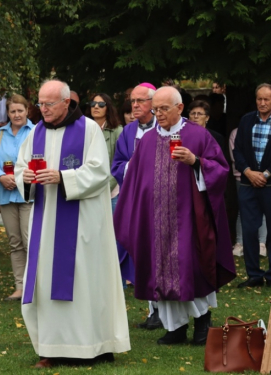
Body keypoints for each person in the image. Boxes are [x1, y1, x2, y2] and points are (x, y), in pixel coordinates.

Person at [16, 80, 130, 368]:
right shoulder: (36, 132)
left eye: (49, 104)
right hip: (45, 221)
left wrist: (64, 178)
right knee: (46, 281)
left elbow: (99, 171)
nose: (42, 109)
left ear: (66, 102)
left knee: (86, 281)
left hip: (83, 223)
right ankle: (52, 348)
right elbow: (21, 166)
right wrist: (25, 178)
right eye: (40, 103)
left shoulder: (89, 129)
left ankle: (96, 344)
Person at [115, 86, 236, 345]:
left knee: (193, 266)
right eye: (155, 109)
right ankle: (175, 328)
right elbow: (135, 179)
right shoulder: (147, 140)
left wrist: (195, 161)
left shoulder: (198, 136)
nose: (157, 114)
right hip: (156, 221)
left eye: (163, 109)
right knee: (161, 272)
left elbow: (220, 170)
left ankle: (202, 322)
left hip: (189, 219)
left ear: (179, 108)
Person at [111, 82, 159, 329]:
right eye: (133, 101)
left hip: (161, 202)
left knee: (160, 255)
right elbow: (117, 165)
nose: (135, 105)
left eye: (141, 101)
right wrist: (134, 165)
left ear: (154, 103)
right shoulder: (128, 132)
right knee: (143, 255)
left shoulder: (165, 128)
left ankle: (168, 309)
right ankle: (154, 310)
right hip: (136, 201)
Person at [233, 83, 271, 289]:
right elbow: (238, 151)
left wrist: (266, 173)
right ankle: (253, 274)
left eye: (266, 99)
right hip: (248, 183)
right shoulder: (247, 120)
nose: (262, 103)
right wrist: (247, 172)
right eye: (259, 99)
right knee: (249, 230)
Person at [0, 94, 34, 301]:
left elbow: (40, 158)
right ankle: (20, 287)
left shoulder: (36, 132)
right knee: (15, 243)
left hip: (29, 195)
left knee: (30, 241)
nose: (16, 115)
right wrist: (1, 177)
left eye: (20, 111)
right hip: (6, 194)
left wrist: (20, 177)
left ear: (27, 111)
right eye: (12, 111)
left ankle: (35, 286)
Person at [229, 127, 267, 257]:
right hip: (242, 176)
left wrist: (261, 174)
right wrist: (249, 172)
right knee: (243, 210)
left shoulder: (265, 131)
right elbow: (235, 156)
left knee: (263, 208)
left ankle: (261, 244)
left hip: (263, 176)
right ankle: (240, 243)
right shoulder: (236, 132)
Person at [87, 93, 122, 212]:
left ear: (108, 108)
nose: (96, 107)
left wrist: (105, 187)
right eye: (93, 104)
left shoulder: (118, 131)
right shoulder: (84, 129)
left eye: (101, 104)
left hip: (110, 191)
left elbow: (119, 164)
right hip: (88, 189)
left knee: (112, 229)